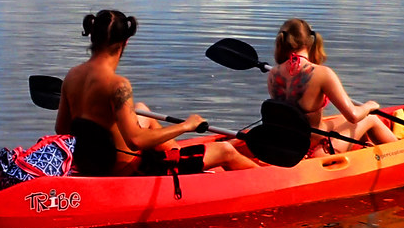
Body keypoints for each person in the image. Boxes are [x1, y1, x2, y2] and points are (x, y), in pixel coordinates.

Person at [55, 9, 258, 176]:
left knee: (141, 110)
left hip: (91, 165)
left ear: (93, 37)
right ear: (125, 43)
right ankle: (275, 181)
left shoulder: (72, 76)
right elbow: (136, 142)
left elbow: (62, 128)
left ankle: (178, 153)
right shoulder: (118, 85)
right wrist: (186, 126)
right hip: (127, 170)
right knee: (226, 151)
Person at [267, 18, 399, 156]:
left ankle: (365, 151)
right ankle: (402, 153)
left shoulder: (273, 73)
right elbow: (353, 116)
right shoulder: (322, 73)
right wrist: (369, 106)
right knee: (369, 117)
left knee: (337, 120)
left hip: (289, 145)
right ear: (311, 41)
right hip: (315, 149)